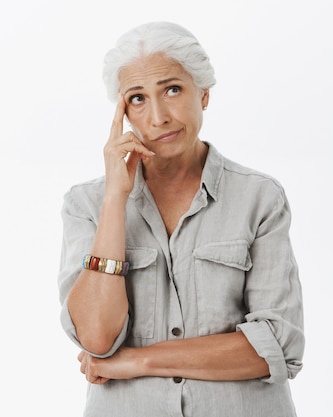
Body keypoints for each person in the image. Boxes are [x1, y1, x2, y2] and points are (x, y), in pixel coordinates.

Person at [57, 21, 304, 417]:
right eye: (137, 99)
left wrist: (137, 362)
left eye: (172, 89)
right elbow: (97, 339)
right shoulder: (86, 204)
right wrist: (114, 201)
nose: (158, 116)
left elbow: (275, 346)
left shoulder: (259, 198)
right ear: (122, 112)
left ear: (203, 94)